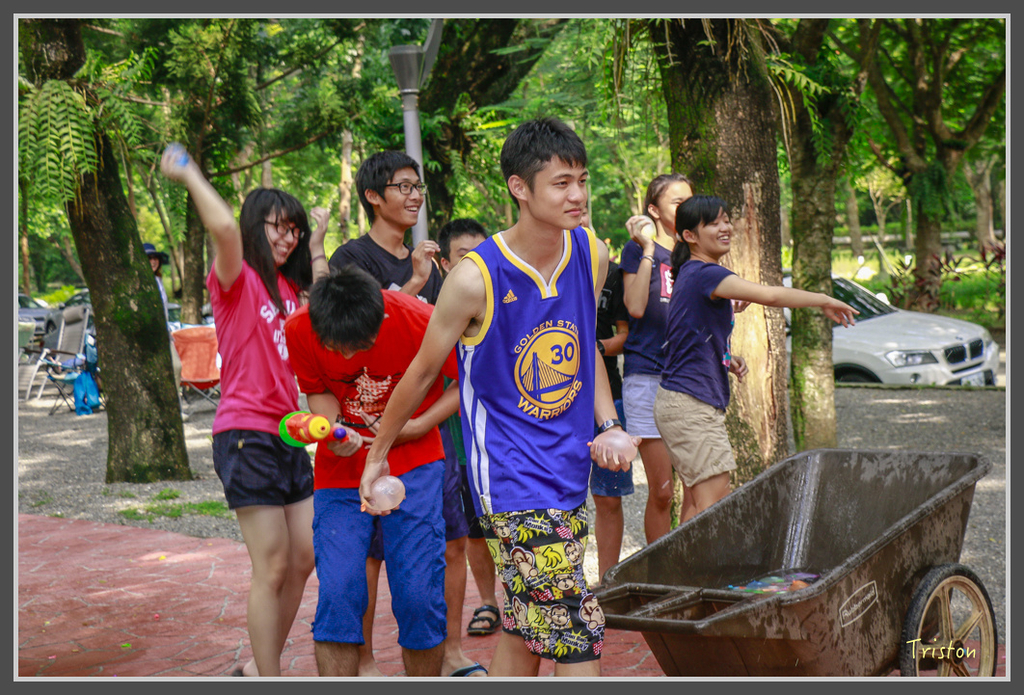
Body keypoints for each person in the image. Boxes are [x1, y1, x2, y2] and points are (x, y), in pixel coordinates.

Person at [359, 117, 639, 678]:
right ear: (520, 187)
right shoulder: (474, 278)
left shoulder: (590, 251)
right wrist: (375, 455)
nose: (578, 194)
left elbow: (584, 347)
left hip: (566, 472)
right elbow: (418, 374)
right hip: (511, 480)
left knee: (525, 625)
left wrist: (608, 422)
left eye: (582, 179)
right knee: (576, 627)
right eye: (561, 183)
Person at [160, 144, 324, 678]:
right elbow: (226, 232)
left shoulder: (289, 289)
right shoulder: (236, 280)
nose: (286, 237)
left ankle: (259, 668)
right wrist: (189, 172)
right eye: (276, 227)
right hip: (245, 434)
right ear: (256, 227)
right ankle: (268, 678)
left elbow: (328, 309)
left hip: (290, 435)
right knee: (272, 564)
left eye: (293, 230)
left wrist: (317, 242)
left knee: (304, 558)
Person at [329, 153, 484, 678]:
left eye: (419, 186)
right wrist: (415, 282)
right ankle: (369, 660)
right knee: (372, 554)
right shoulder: (351, 258)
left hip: (432, 433)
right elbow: (362, 333)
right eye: (403, 187)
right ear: (374, 196)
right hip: (371, 433)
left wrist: (427, 421)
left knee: (452, 541)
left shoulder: (440, 267)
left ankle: (452, 653)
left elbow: (452, 357)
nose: (416, 196)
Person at [283, 265, 460, 677]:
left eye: (356, 346)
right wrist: (336, 435)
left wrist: (418, 424)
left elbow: (463, 381)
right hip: (340, 472)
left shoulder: (417, 319)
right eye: (336, 347)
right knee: (339, 593)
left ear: (380, 319)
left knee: (418, 594)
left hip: (415, 461)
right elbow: (319, 390)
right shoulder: (299, 327)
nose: (345, 357)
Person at [655, 195, 858, 522]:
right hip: (690, 404)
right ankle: (706, 573)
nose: (725, 228)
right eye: (713, 223)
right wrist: (822, 299)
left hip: (683, 400)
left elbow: (688, 333)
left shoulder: (695, 273)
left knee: (697, 502)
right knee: (712, 501)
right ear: (690, 236)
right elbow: (772, 295)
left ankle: (685, 574)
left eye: (726, 219)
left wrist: (723, 357)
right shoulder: (704, 273)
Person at [619, 173, 694, 543]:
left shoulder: (693, 254)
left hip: (687, 378)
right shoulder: (636, 249)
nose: (685, 209)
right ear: (654, 209)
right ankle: (657, 576)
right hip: (646, 376)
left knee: (695, 486)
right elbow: (634, 306)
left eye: (688, 201)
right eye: (676, 202)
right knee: (663, 490)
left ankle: (686, 569)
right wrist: (648, 249)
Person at [436, 219, 500, 638]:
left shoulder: (506, 299)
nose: (477, 263)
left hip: (501, 435)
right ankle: (489, 602)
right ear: (444, 264)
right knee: (471, 529)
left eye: (483, 252)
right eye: (464, 256)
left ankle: (512, 599)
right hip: (455, 435)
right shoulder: (435, 308)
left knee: (500, 522)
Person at [584, 212, 633, 585]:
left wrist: (590, 349)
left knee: (608, 496)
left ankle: (607, 581)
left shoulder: (613, 274)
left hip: (608, 399)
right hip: (554, 405)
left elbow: (624, 335)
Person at [144, 242, 185, 418]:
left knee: (176, 366)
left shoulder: (159, 281)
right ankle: (157, 411)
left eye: (155, 258)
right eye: (149, 258)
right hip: (148, 334)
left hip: (163, 333)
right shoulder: (140, 282)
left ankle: (174, 409)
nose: (153, 261)